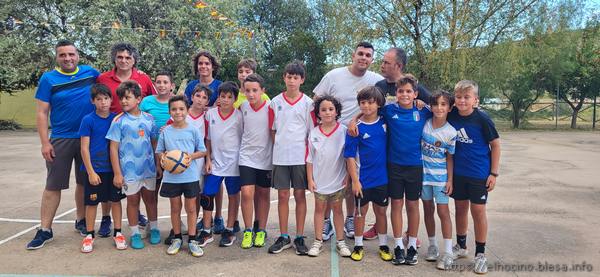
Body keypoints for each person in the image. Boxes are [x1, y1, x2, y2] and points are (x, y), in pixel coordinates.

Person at [27, 40, 100, 250]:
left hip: (89, 138)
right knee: (53, 185)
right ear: (56, 57)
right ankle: (45, 230)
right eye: (63, 55)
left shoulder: (90, 74)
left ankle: (81, 221)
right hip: (61, 138)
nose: (67, 58)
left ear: (78, 55)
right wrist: (44, 142)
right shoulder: (48, 79)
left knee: (84, 183)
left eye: (71, 54)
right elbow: (42, 113)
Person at [313, 41, 383, 240]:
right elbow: (317, 102)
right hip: (332, 136)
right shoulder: (333, 76)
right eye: (360, 53)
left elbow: (401, 89)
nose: (363, 58)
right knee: (330, 180)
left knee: (353, 180)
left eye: (368, 55)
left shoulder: (376, 80)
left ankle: (351, 218)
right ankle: (326, 221)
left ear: (372, 60)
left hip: (357, 137)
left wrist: (420, 99)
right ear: (353, 55)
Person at [448, 80, 500, 274]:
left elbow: (495, 145)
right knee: (460, 209)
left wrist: (493, 173)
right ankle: (461, 246)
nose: (462, 101)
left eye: (466, 97)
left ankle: (480, 253)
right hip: (458, 173)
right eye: (459, 97)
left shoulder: (482, 119)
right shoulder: (451, 116)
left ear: (475, 100)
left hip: (479, 174)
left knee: (478, 211)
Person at [381, 74, 432, 266]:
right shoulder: (388, 110)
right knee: (396, 205)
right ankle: (398, 245)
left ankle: (411, 244)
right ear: (395, 93)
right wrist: (354, 120)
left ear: (415, 94)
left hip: (415, 167)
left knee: (412, 205)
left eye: (409, 91)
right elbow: (367, 110)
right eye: (401, 91)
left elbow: (443, 109)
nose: (404, 94)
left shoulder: (423, 111)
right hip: (394, 165)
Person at [268, 61, 315, 255]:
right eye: (289, 77)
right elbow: (272, 131)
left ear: (302, 80)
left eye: (296, 77)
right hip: (280, 157)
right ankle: (284, 235)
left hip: (300, 157)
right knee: (282, 196)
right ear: (284, 78)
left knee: (300, 195)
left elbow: (312, 133)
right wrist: (280, 145)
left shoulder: (309, 103)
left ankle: (299, 236)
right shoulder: (275, 102)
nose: (292, 80)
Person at [106, 80, 160, 249]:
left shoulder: (149, 119)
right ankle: (135, 233)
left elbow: (154, 144)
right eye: (121, 98)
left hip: (148, 169)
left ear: (138, 99)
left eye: (127, 97)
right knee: (133, 202)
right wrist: (117, 173)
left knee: (151, 200)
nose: (123, 101)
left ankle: (155, 229)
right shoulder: (118, 121)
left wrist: (158, 164)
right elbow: (113, 148)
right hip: (129, 171)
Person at [344, 86, 390, 262]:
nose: (367, 106)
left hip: (382, 179)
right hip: (362, 180)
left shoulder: (385, 121)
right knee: (359, 213)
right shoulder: (355, 129)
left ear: (378, 104)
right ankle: (358, 245)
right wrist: (355, 181)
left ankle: (384, 244)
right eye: (363, 102)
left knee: (381, 212)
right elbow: (349, 157)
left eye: (370, 102)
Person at [157, 95, 207, 257]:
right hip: (172, 177)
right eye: (174, 109)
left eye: (181, 109)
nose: (177, 112)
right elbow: (159, 151)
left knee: (191, 208)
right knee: (175, 208)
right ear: (169, 111)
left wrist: (189, 157)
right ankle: (177, 238)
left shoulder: (193, 130)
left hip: (190, 176)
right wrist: (164, 159)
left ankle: (192, 239)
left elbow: (203, 150)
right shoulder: (166, 131)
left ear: (186, 110)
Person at [79, 84, 127, 253]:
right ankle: (90, 235)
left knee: (115, 201)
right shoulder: (88, 120)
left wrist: (119, 172)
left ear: (111, 99)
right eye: (99, 99)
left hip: (113, 169)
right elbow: (84, 148)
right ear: (93, 101)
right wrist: (91, 171)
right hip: (95, 169)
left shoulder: (116, 119)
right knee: (92, 203)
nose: (103, 102)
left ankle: (118, 232)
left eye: (106, 98)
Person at [183, 51, 225, 233]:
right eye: (200, 63)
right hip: (196, 134)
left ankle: (218, 217)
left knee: (214, 179)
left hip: (214, 134)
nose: (203, 66)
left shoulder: (219, 85)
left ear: (212, 66)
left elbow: (223, 107)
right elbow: (185, 108)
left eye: (207, 63)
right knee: (199, 183)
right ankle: (201, 218)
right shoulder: (191, 85)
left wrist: (209, 109)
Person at [198, 81, 243, 248]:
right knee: (208, 193)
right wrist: (208, 159)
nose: (225, 100)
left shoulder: (239, 116)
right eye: (222, 96)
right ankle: (207, 230)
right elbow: (207, 139)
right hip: (215, 162)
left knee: (233, 196)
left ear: (235, 99)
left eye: (229, 97)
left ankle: (229, 229)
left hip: (234, 163)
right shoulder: (210, 115)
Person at [306, 96, 352, 258]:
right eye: (323, 109)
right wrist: (310, 179)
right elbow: (310, 158)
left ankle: (341, 241)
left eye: (331, 109)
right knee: (319, 210)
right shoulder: (313, 133)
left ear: (337, 111)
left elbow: (348, 156)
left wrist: (348, 175)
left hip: (338, 180)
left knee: (338, 211)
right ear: (318, 113)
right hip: (320, 181)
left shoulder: (344, 131)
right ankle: (318, 241)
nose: (327, 112)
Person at [419, 90, 457, 270]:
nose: (439, 108)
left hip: (441, 178)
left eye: (443, 104)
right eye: (435, 104)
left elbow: (450, 157)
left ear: (449, 107)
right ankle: (432, 245)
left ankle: (448, 251)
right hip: (423, 177)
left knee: (443, 213)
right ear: (431, 106)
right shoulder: (424, 124)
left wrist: (450, 180)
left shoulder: (451, 132)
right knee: (428, 210)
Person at [238, 74, 273, 249]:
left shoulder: (271, 107)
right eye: (247, 90)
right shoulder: (243, 107)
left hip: (265, 158)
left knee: (263, 194)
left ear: (262, 91)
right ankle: (248, 230)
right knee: (246, 193)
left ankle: (261, 230)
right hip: (246, 157)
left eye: (254, 90)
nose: (251, 94)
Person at [97, 42, 156, 114]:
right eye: (120, 57)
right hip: (110, 124)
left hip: (138, 124)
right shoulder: (102, 79)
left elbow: (155, 102)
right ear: (114, 59)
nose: (123, 61)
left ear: (134, 61)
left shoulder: (144, 79)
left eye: (128, 58)